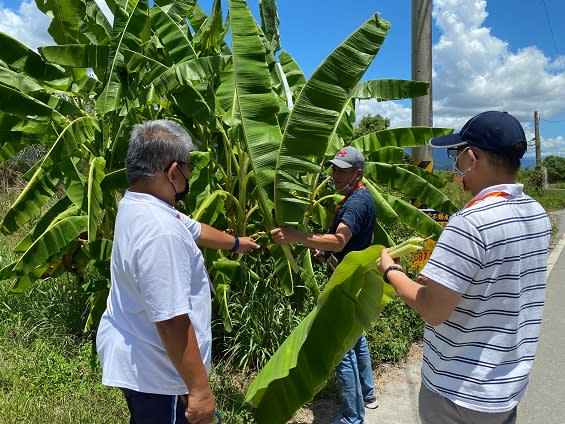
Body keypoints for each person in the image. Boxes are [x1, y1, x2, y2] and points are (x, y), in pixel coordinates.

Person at [378, 111, 552, 424]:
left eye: (457, 156)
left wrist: (392, 272)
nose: (457, 166)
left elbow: (433, 310)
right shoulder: (536, 213)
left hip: (458, 389)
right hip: (506, 386)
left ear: (472, 158)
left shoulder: (470, 223)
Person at [96, 119, 259, 424]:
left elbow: (195, 229)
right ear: (173, 172)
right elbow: (171, 320)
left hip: (141, 360)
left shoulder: (137, 204)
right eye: (188, 170)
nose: (189, 177)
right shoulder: (160, 232)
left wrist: (236, 243)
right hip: (163, 378)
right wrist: (199, 391)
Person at [271, 146, 378, 424]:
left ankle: (353, 417)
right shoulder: (361, 197)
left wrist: (296, 235)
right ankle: (367, 393)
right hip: (355, 277)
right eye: (333, 168)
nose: (335, 175)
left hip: (346, 281)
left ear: (358, 173)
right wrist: (326, 252)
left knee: (338, 347)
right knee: (355, 336)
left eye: (342, 171)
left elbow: (340, 240)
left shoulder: (355, 203)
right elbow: (345, 244)